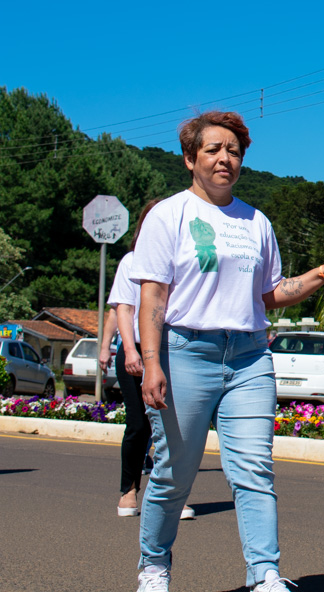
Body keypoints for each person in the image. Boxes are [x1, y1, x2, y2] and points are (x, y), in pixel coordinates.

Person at [131, 110, 324, 592]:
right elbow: (153, 295)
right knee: (174, 472)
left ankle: (265, 574)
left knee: (254, 468)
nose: (224, 158)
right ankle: (154, 566)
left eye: (233, 151)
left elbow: (270, 294)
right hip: (185, 351)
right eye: (213, 149)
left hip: (251, 356)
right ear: (190, 158)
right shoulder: (169, 216)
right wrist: (152, 363)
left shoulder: (256, 221)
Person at [98, 200, 195, 520]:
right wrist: (128, 351)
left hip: (174, 351)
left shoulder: (183, 260)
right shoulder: (131, 261)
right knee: (138, 426)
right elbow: (123, 309)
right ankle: (128, 490)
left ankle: (172, 496)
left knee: (173, 431)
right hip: (137, 351)